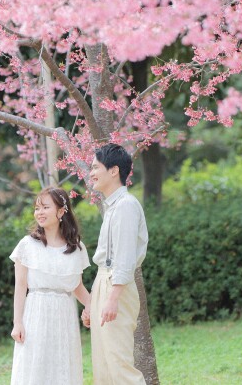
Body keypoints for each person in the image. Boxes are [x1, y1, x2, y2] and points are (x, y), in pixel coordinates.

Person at [9, 186, 91, 385]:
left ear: (61, 211)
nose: (40, 212)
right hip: (36, 312)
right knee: (35, 368)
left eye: (45, 207)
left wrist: (91, 306)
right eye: (37, 208)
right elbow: (20, 286)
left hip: (64, 313)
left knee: (62, 367)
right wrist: (17, 322)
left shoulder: (76, 248)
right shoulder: (27, 245)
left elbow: (76, 285)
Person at [83, 143, 149, 385]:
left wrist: (112, 297)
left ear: (113, 171)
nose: (91, 173)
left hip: (116, 285)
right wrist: (93, 300)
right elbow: (107, 260)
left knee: (119, 364)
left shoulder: (126, 206)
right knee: (104, 366)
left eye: (95, 167)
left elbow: (125, 257)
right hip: (105, 280)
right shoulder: (111, 207)